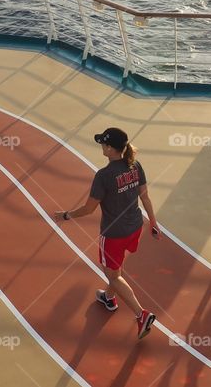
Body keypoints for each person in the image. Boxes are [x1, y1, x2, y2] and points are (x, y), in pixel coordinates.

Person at [53, 127, 160, 339]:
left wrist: (66, 215)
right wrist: (153, 223)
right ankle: (109, 298)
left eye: (103, 143)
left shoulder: (104, 176)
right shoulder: (135, 165)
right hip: (135, 226)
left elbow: (89, 209)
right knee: (116, 267)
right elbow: (145, 196)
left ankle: (141, 314)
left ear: (110, 149)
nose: (101, 145)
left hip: (113, 234)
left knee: (112, 274)